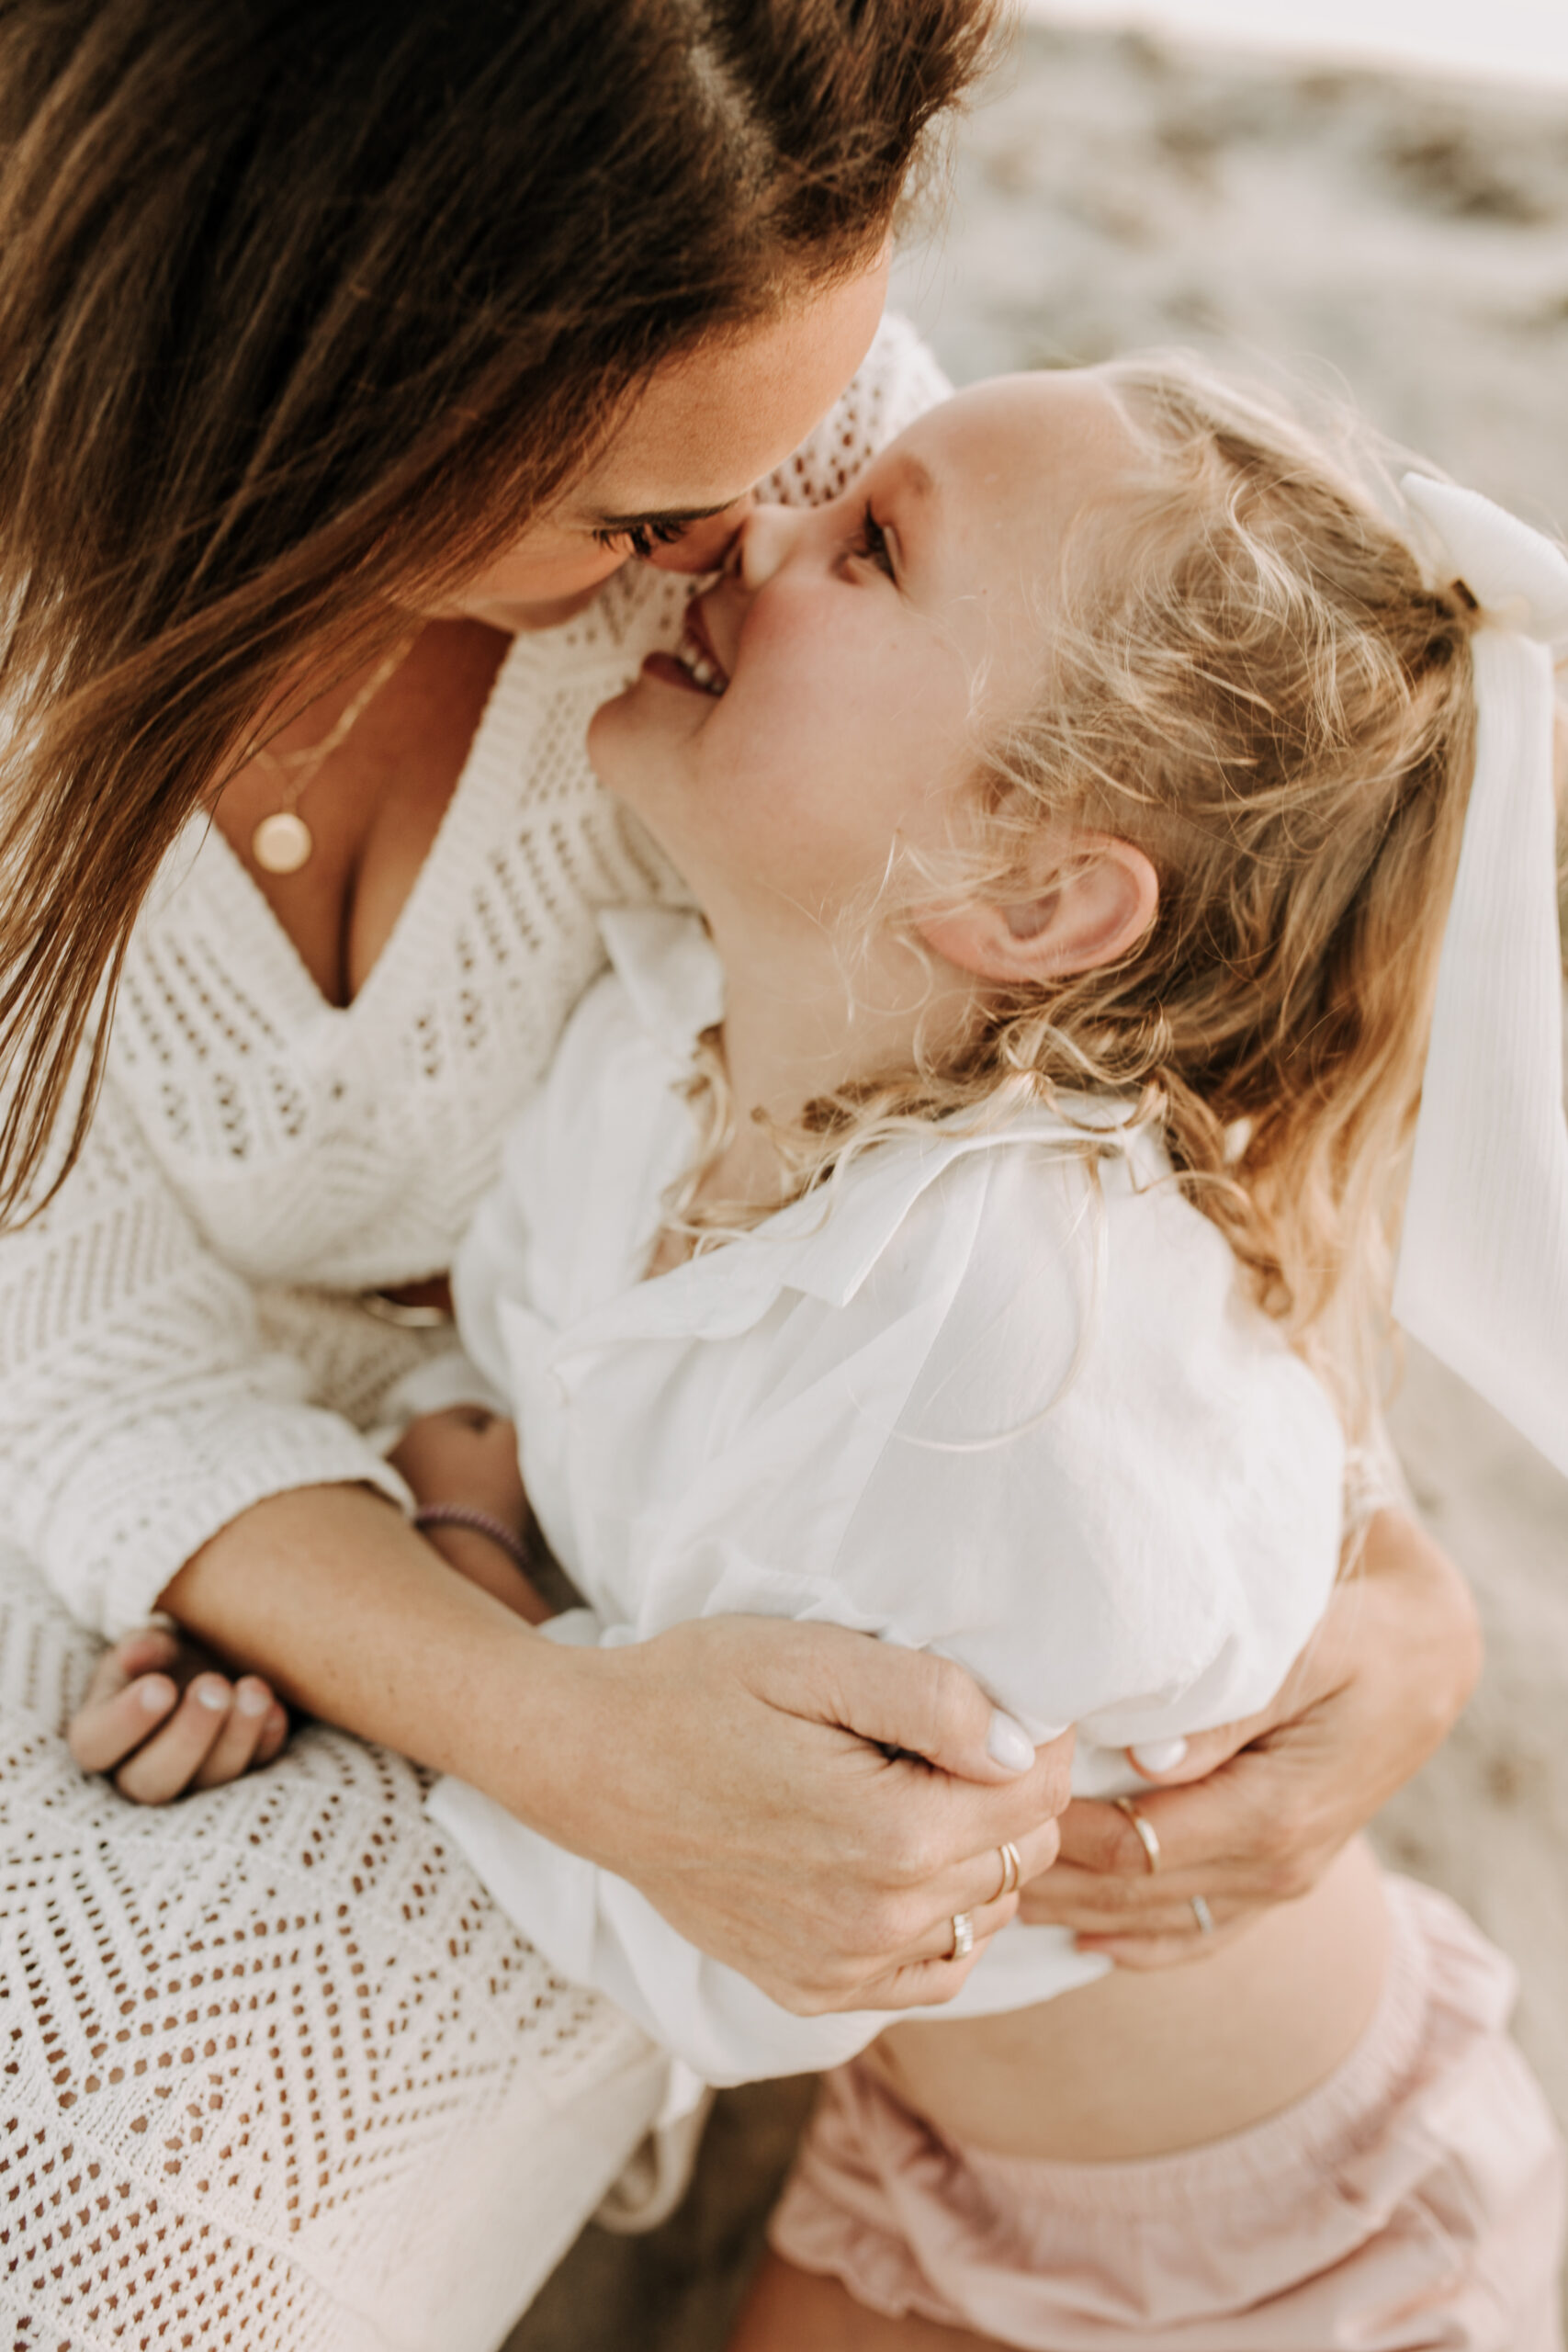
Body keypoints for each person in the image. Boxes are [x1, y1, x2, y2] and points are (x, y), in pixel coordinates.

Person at [0, 1, 1478, 2343]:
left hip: (1169, 2162)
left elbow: (1143, 1083)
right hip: (316, 1563)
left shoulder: (795, 521)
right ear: (316, 380)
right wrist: (476, 1624)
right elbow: (102, 1354)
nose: (732, 544)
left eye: (822, 472)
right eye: (627, 513)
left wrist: (1385, 1572)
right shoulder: (661, 1043)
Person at [390, 360, 1566, 2349]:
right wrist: (464, 1485)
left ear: (1030, 895)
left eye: (867, 547)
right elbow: (512, 1364)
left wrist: (467, 1569)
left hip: (1295, 2240)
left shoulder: (1002, 1368)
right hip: (929, 2149)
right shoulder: (653, 1039)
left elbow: (752, 1936)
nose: (747, 531)